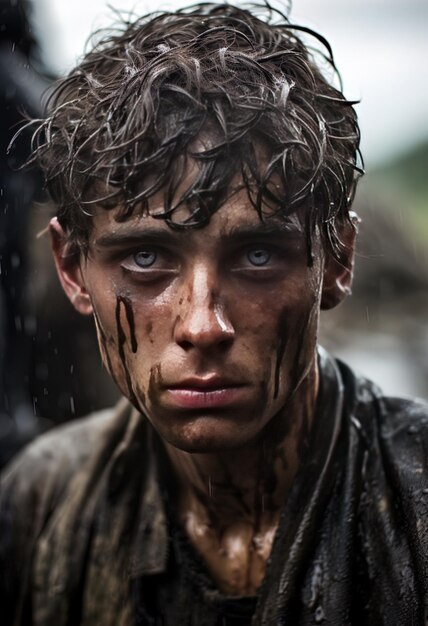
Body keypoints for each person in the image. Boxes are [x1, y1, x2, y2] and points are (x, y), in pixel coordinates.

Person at [1, 3, 428, 625]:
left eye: (257, 255)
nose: (202, 326)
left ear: (336, 259)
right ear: (72, 269)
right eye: (146, 258)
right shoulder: (38, 508)